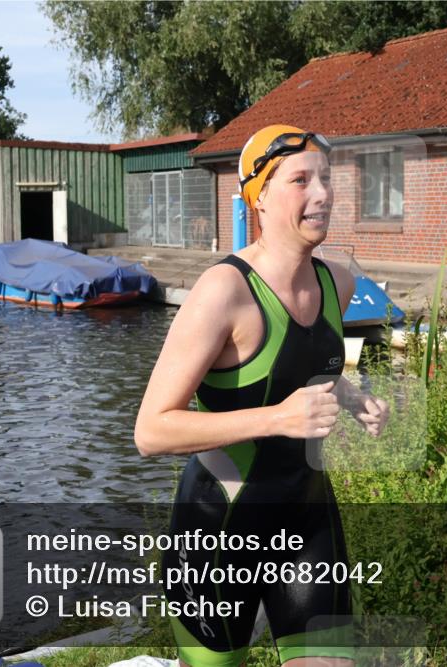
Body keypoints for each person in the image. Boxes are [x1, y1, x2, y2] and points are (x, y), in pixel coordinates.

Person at [134, 124, 390, 667]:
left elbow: (302, 372)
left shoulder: (336, 284)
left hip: (307, 516)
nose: (322, 193)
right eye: (301, 180)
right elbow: (152, 430)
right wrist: (277, 418)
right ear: (261, 198)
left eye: (325, 178)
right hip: (221, 526)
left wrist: (351, 397)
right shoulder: (223, 292)